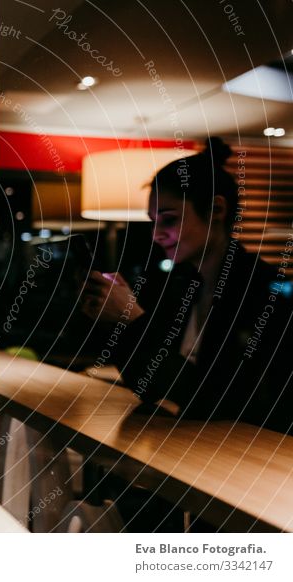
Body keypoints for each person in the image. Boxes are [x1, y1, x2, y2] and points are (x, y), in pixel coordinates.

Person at [83, 138, 292, 435]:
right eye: (153, 222)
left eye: (168, 220)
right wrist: (115, 322)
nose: (156, 235)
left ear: (216, 210)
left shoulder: (263, 292)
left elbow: (221, 399)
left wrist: (133, 321)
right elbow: (152, 384)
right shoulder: (181, 286)